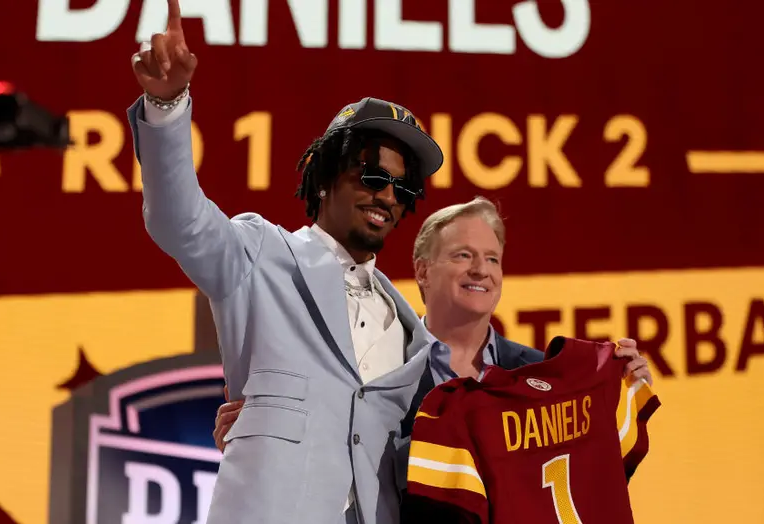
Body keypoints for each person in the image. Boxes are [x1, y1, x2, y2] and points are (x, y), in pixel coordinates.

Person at [129, 1, 447, 523]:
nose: (387, 195)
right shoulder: (260, 255)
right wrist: (166, 105)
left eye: (402, 186)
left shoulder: (412, 333)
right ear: (324, 178)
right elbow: (178, 220)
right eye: (371, 176)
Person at [214, 197, 654, 481]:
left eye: (492, 259)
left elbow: (585, 477)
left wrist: (619, 402)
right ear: (423, 271)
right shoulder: (377, 365)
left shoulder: (539, 375)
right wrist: (264, 432)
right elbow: (336, 452)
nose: (481, 270)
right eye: (463, 256)